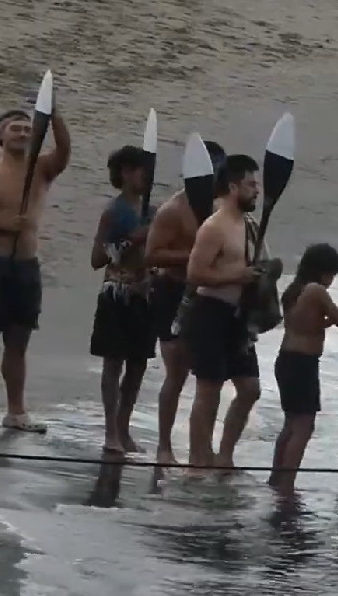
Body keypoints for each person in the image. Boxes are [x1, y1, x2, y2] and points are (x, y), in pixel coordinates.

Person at [0, 107, 71, 432]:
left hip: (26, 264)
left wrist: (53, 114)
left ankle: (16, 411)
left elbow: (64, 151)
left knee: (19, 340)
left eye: (26, 129)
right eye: (15, 129)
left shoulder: (42, 169)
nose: (21, 133)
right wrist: (3, 224)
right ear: (0, 136)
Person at [182, 154, 265, 473]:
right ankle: (197, 459)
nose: (256, 191)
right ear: (233, 186)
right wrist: (236, 277)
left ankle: (225, 455)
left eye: (257, 184)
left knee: (250, 389)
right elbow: (194, 274)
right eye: (250, 184)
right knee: (209, 389)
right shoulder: (214, 227)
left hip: (238, 317)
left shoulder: (249, 225)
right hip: (210, 313)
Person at [145, 141, 226, 465]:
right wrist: (195, 256)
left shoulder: (223, 208)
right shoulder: (173, 210)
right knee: (176, 373)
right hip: (172, 291)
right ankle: (164, 445)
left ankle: (202, 447)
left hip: (208, 296)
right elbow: (152, 255)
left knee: (209, 376)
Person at [268, 243, 338, 492]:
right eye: (331, 274)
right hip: (302, 364)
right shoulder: (315, 291)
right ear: (322, 272)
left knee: (291, 424)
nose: (331, 281)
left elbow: (310, 324)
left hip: (287, 359)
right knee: (303, 426)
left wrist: (329, 320)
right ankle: (287, 483)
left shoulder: (295, 290)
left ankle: (277, 478)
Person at [88, 146, 157, 455]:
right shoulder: (114, 212)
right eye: (142, 170)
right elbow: (97, 259)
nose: (147, 177)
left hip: (143, 295)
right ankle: (110, 431)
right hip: (116, 294)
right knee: (113, 362)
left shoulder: (152, 211)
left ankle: (124, 427)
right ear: (126, 173)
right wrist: (132, 239)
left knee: (138, 365)